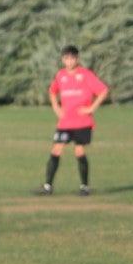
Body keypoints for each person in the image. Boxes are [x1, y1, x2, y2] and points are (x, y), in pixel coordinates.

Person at [34, 45, 109, 197]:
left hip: (82, 122)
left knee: (79, 151)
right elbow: (52, 91)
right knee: (56, 149)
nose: (69, 61)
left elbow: (103, 91)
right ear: (63, 60)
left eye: (72, 58)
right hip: (65, 123)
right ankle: (47, 186)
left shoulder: (85, 75)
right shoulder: (61, 75)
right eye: (66, 58)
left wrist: (91, 108)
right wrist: (56, 107)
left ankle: (85, 187)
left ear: (77, 59)